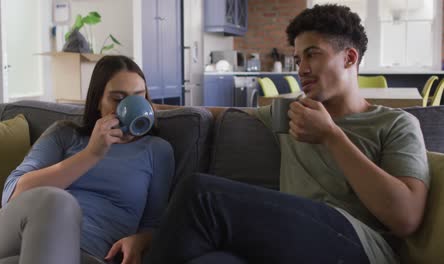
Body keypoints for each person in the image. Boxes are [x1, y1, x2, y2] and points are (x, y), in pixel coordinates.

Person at [147, 4, 429, 264]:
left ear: (349, 58)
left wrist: (331, 135)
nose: (301, 70)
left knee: (201, 193)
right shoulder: (290, 113)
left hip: (360, 247)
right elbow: (225, 112)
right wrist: (151, 107)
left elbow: (406, 217)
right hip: (289, 239)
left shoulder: (396, 123)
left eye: (312, 54)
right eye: (297, 59)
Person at [0, 55, 175, 264]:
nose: (130, 106)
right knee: (58, 201)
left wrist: (140, 240)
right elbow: (14, 194)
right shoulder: (64, 134)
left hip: (88, 256)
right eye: (118, 99)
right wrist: (91, 154)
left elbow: (155, 223)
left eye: (139, 96)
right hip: (16, 238)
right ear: (98, 101)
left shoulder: (157, 151)